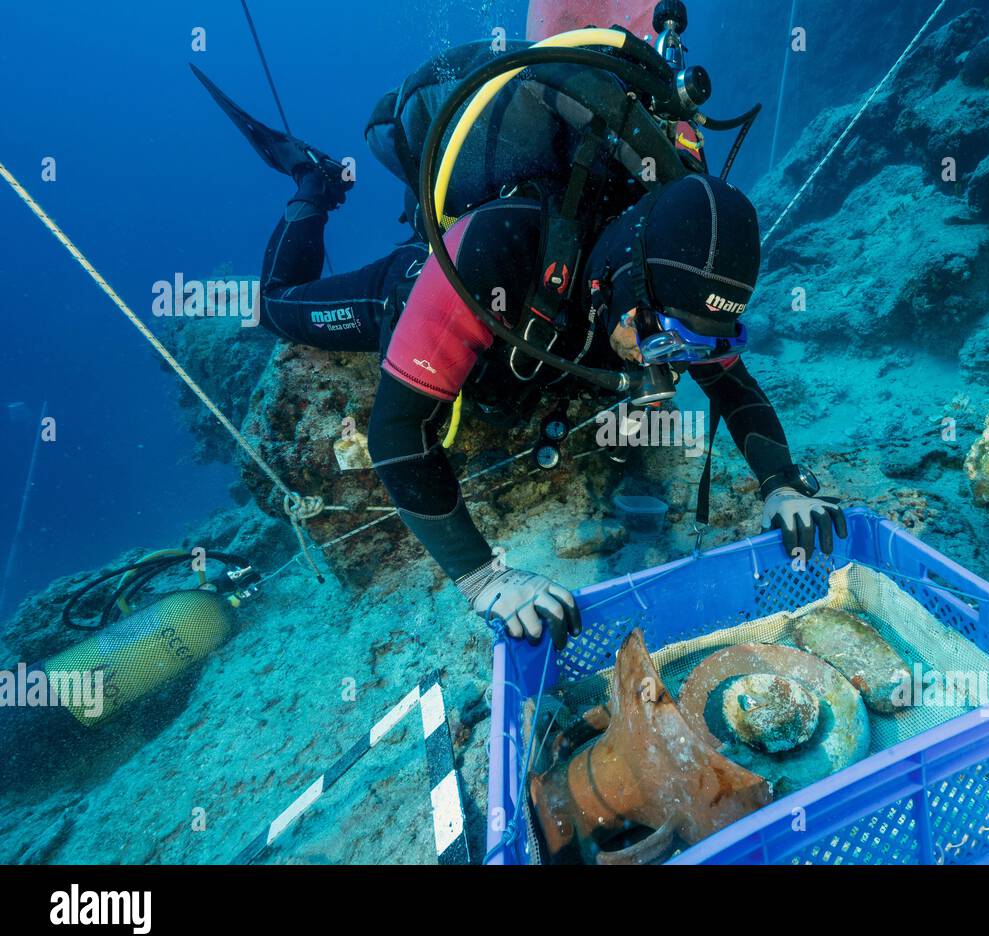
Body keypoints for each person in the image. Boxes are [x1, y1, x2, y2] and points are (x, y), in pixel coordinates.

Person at [201, 59, 847, 651]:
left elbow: (733, 384)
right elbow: (396, 434)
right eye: (664, 339)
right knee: (278, 309)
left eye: (699, 345)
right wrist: (486, 580)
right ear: (622, 282)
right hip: (410, 293)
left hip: (549, 340)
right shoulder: (494, 249)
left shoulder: (666, 294)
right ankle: (311, 183)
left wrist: (781, 483)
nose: (673, 363)